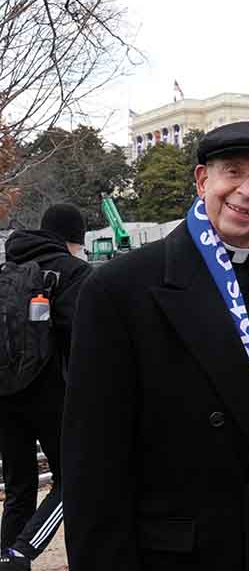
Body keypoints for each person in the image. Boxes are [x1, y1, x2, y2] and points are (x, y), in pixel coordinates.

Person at [62, 122, 249, 570]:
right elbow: (93, 463)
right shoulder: (121, 289)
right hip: (179, 554)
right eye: (232, 173)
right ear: (203, 181)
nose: (246, 191)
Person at [0, 205, 91, 569]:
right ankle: (23, 552)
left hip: (5, 393)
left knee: (19, 488)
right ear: (74, 239)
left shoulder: (7, 270)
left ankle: (5, 558)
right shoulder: (73, 272)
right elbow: (84, 342)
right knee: (73, 482)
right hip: (52, 394)